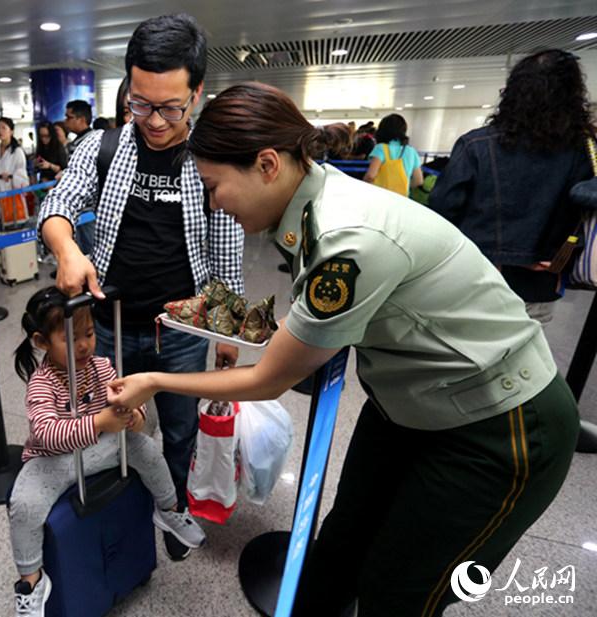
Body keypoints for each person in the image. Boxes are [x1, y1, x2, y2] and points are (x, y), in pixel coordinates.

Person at [105, 83, 579, 616]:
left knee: (399, 593)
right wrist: (223, 320)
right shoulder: (314, 198)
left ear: (266, 164)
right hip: (408, 403)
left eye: (215, 187)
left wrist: (155, 379)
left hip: (499, 427)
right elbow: (310, 319)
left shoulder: (347, 238)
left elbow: (269, 380)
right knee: (339, 545)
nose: (214, 203)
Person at [38, 13, 244, 561]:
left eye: (170, 106)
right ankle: (116, 509)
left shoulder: (210, 159)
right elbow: (57, 205)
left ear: (196, 93)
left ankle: (172, 509)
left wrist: (228, 333)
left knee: (178, 429)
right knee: (105, 423)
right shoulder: (102, 148)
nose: (153, 119)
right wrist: (67, 248)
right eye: (140, 102)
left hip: (179, 329)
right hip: (106, 327)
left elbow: (226, 252)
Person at [7, 287, 206, 616]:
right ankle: (32, 582)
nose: (84, 344)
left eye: (89, 333)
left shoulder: (100, 367)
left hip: (100, 449)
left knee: (146, 449)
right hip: (53, 460)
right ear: (42, 342)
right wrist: (101, 421)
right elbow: (45, 432)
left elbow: (127, 409)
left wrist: (133, 416)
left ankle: (169, 509)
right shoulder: (42, 382)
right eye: (71, 339)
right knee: (24, 504)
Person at [430, 49, 595, 326]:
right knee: (521, 362)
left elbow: (442, 209)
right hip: (540, 279)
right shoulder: (584, 151)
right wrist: (552, 255)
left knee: (458, 354)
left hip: (473, 275)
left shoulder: (476, 144)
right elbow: (581, 209)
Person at [363, 113, 423, 196]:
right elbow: (418, 181)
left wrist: (362, 186)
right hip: (402, 198)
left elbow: (370, 175)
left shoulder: (381, 148)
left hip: (380, 196)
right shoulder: (411, 151)